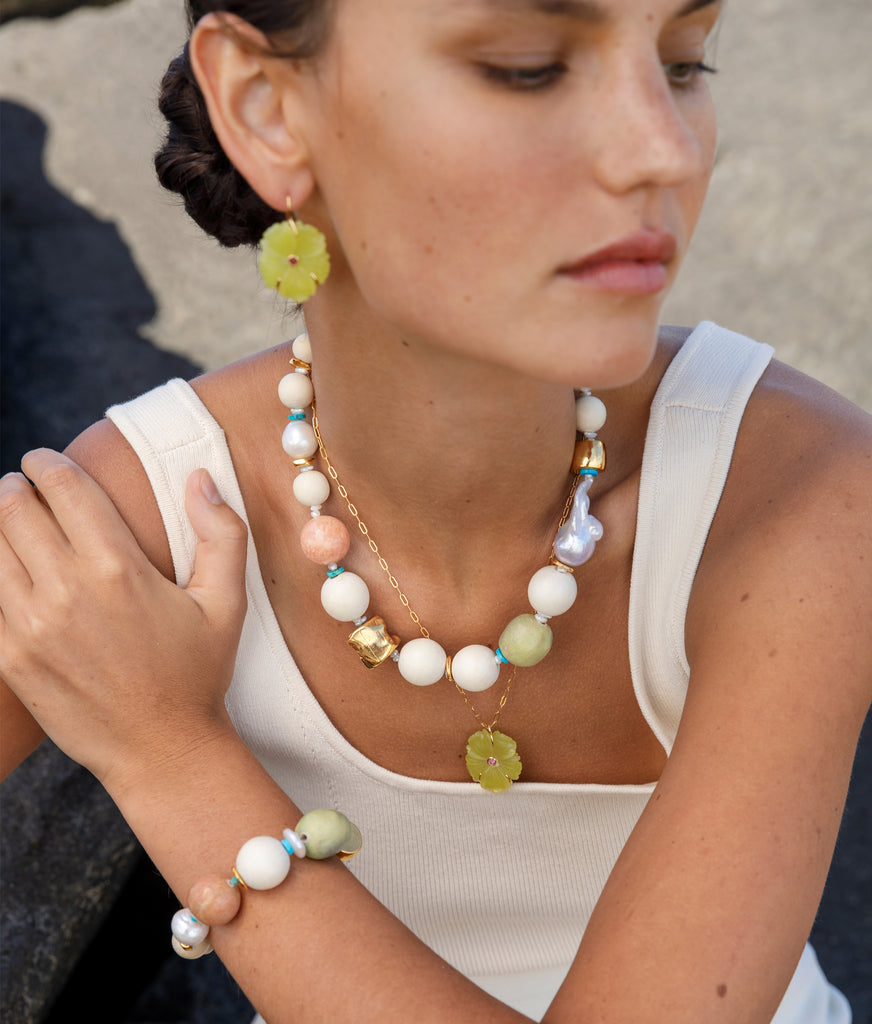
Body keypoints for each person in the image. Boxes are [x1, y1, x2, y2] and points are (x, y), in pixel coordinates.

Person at [1, 0, 870, 1020]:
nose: (660, 150)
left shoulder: (799, 493)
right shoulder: (143, 510)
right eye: (528, 66)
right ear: (266, 106)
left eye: (681, 62)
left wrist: (171, 757)